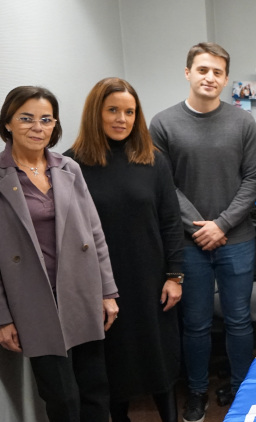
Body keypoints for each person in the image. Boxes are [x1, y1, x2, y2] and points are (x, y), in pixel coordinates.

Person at [149, 42, 256, 422]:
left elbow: (253, 179)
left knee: (238, 320)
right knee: (195, 324)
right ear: (188, 73)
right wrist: (202, 227)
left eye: (217, 72)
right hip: (189, 245)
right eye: (202, 70)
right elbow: (163, 185)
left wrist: (222, 224)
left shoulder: (243, 122)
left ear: (226, 78)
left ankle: (241, 387)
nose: (209, 77)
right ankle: (196, 392)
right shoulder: (163, 123)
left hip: (237, 239)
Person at [66, 78, 185, 422]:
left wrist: (175, 276)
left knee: (159, 359)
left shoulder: (153, 160)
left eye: (130, 112)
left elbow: (170, 222)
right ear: (95, 114)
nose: (122, 119)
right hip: (102, 284)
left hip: (151, 281)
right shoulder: (71, 165)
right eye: (113, 110)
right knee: (112, 364)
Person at [0, 86, 118, 422]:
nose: (37, 127)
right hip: (33, 299)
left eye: (46, 119)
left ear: (55, 125)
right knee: (62, 398)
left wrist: (108, 292)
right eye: (27, 118)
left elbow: (95, 234)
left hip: (79, 290)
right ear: (8, 123)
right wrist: (3, 317)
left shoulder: (69, 168)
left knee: (95, 390)